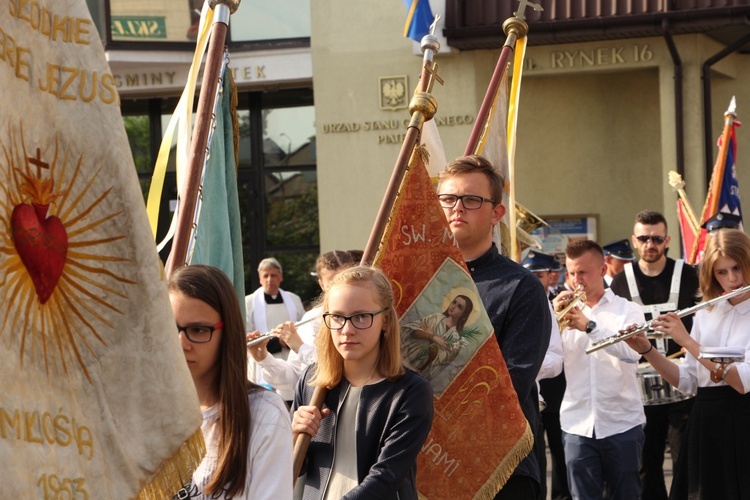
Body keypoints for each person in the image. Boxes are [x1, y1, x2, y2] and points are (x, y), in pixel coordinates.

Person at [437, 154, 551, 499]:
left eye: (471, 200)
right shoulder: (415, 282)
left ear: (496, 213)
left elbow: (511, 381)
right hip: (424, 460)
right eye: (447, 199)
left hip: (501, 468)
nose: (457, 208)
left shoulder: (521, 287)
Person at [623, 228, 750, 499]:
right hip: (707, 421)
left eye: (737, 267)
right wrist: (647, 349)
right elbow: (689, 381)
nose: (733, 279)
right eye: (721, 272)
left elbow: (741, 382)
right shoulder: (707, 311)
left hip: (743, 418)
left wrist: (687, 341)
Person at [292, 265, 434, 499]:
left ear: (385, 321)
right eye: (337, 317)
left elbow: (386, 477)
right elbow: (298, 469)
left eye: (360, 317)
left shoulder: (410, 391)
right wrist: (292, 438)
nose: (347, 330)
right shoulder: (311, 381)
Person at [169, 265, 293, 499]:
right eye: (170, 328)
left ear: (227, 332)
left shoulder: (264, 413)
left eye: (197, 329)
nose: (181, 342)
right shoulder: (150, 412)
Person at [610, 210, 699, 500]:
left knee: (686, 460)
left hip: (683, 385)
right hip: (639, 391)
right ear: (635, 241)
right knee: (647, 465)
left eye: (657, 238)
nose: (651, 244)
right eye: (645, 238)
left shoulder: (690, 274)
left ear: (667, 240)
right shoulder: (619, 281)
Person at [553, 240, 646, 500]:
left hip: (622, 423)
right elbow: (547, 361)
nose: (576, 280)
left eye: (583, 272)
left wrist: (591, 327)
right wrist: (549, 317)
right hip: (577, 424)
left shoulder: (628, 310)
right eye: (571, 273)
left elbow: (632, 354)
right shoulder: (562, 312)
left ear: (603, 270)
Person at [248, 250, 354, 400]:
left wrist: (299, 346)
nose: (339, 289)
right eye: (332, 283)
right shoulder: (311, 318)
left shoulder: (359, 318)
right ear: (322, 284)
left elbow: (341, 368)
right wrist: (264, 358)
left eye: (343, 280)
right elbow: (292, 377)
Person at [523, 251, 570, 500]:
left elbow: (558, 355)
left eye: (539, 275)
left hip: (557, 390)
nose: (533, 280)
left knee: (560, 454)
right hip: (533, 394)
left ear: (550, 276)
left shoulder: (558, 299)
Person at [246, 257, 305, 401]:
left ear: (281, 278)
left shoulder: (293, 299)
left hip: (291, 358)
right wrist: (277, 342)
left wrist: (292, 338)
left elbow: (304, 326)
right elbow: (246, 332)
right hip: (263, 358)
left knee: (292, 399)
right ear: (260, 279)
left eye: (273, 275)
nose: (269, 279)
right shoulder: (249, 302)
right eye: (265, 276)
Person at [401, 293, 474, 380]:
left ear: (464, 314)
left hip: (416, 373)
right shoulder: (435, 318)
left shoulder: (455, 340)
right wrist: (434, 338)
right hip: (404, 358)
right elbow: (413, 333)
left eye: (459, 307)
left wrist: (430, 337)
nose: (453, 306)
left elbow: (434, 359)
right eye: (454, 302)